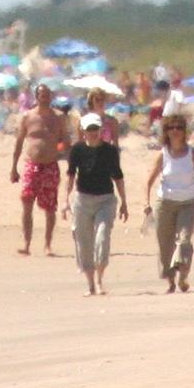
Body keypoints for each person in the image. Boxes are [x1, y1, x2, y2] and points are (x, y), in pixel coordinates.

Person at [144, 115, 194, 293]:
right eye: (171, 128)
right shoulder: (162, 154)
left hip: (189, 203)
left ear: (185, 131)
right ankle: (170, 280)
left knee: (183, 240)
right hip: (165, 203)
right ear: (166, 132)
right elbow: (149, 180)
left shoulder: (193, 154)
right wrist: (146, 203)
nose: (175, 131)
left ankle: (183, 276)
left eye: (179, 128)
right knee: (165, 244)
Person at [63, 113, 128, 295]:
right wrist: (65, 200)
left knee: (102, 237)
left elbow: (118, 176)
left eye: (95, 129)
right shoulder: (77, 150)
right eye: (89, 129)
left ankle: (100, 280)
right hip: (83, 200)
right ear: (83, 130)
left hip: (105, 200)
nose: (92, 133)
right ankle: (90, 283)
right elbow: (70, 176)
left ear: (101, 130)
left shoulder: (110, 151)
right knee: (83, 242)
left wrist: (124, 202)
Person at [10, 83, 65, 256]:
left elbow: (65, 141)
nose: (45, 97)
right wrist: (13, 168)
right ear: (36, 96)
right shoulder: (28, 117)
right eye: (42, 94)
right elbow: (19, 142)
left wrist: (58, 150)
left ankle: (47, 245)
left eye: (48, 94)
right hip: (31, 165)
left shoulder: (58, 118)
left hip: (50, 165)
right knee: (27, 203)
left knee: (50, 208)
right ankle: (26, 244)